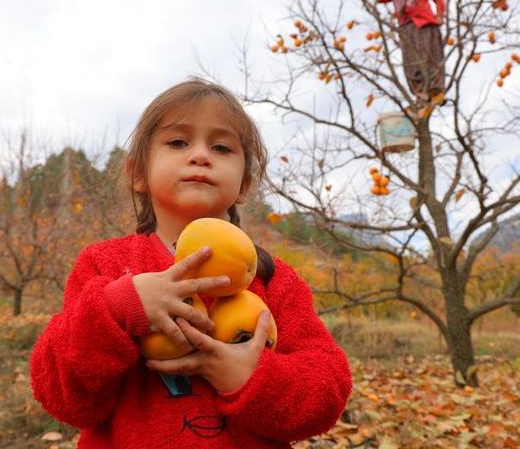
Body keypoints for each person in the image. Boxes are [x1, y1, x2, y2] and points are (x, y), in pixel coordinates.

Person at [30, 79, 353, 448]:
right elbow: (62, 395)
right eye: (178, 142)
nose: (201, 155)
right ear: (138, 173)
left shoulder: (272, 279)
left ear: (244, 184)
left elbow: (327, 389)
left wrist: (254, 376)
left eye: (221, 147)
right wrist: (120, 308)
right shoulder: (107, 265)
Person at [368, 0, 446, 104]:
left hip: (424, 24)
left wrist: (440, 15)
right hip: (406, 28)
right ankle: (421, 93)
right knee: (410, 63)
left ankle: (436, 90)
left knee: (430, 56)